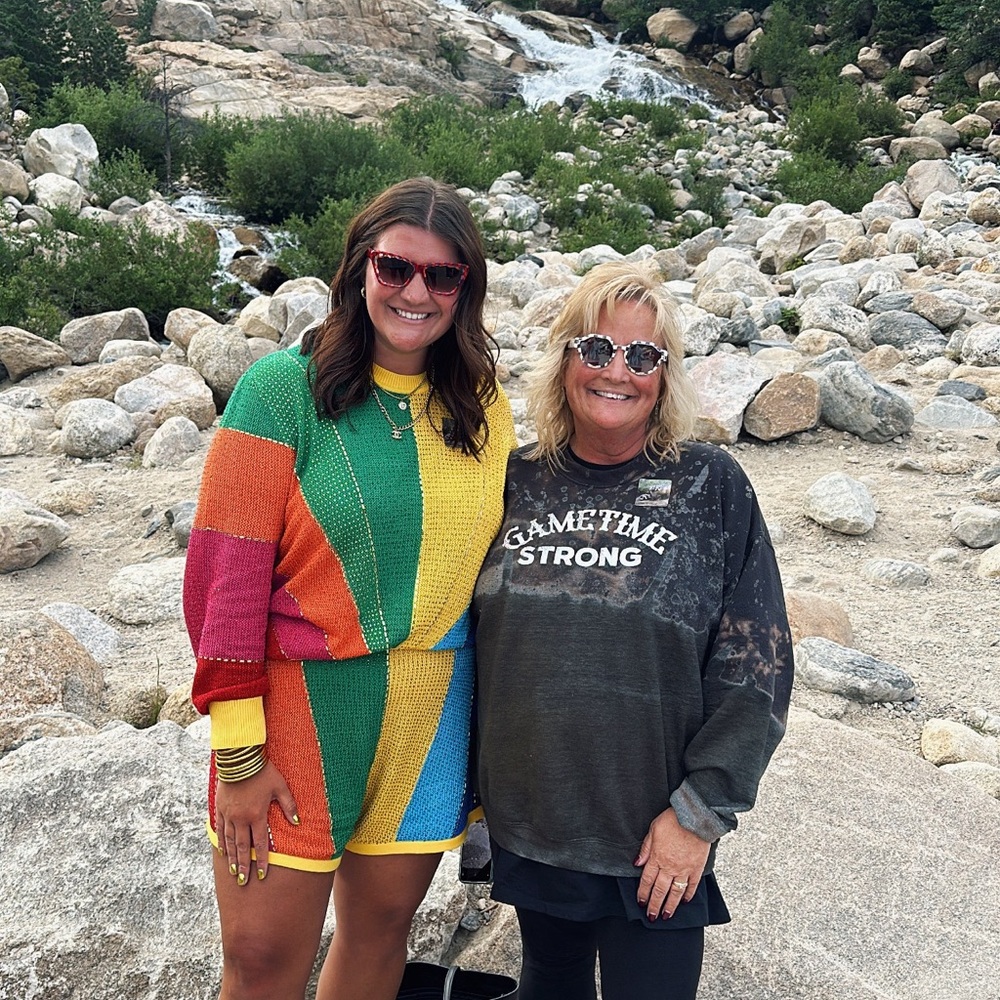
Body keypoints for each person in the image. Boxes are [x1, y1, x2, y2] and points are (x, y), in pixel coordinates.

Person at [183, 177, 516, 1000]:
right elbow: (227, 575)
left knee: (379, 940)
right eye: (395, 266)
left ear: (466, 288)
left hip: (431, 705)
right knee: (261, 959)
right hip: (301, 707)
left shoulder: (480, 401)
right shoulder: (280, 391)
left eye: (443, 276)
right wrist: (240, 751)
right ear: (358, 269)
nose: (416, 292)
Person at [473, 260, 793, 1000]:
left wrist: (700, 812)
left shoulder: (709, 484)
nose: (617, 371)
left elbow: (759, 664)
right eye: (596, 349)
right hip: (535, 823)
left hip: (655, 838)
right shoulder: (515, 480)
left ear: (664, 374)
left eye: (642, 355)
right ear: (564, 361)